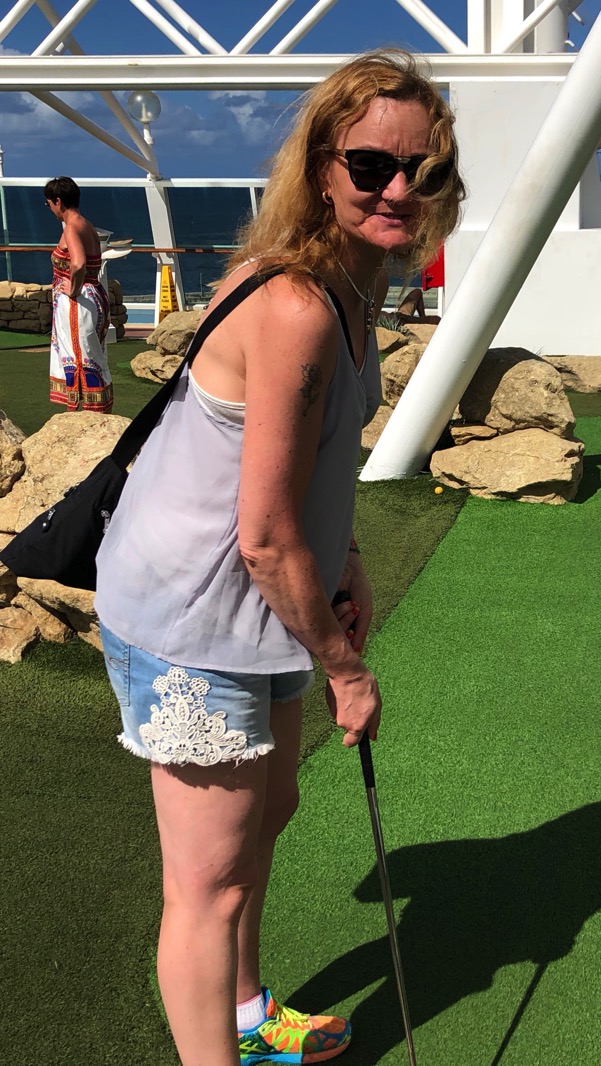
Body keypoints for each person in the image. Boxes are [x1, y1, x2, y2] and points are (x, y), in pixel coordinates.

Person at [93, 49, 465, 1066]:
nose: (398, 189)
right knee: (206, 884)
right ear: (322, 167)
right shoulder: (297, 304)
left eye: (422, 171)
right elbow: (259, 533)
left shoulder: (358, 279)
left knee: (273, 810)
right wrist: (345, 671)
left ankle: (250, 1021)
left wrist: (342, 555)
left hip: (258, 590)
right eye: (371, 165)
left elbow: (306, 471)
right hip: (189, 607)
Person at [44, 176, 112, 411]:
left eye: (49, 203)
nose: (50, 209)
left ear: (58, 201)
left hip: (79, 303)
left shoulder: (72, 227)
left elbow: (79, 263)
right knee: (94, 355)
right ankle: (99, 412)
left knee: (79, 357)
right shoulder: (87, 224)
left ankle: (80, 415)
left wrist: (72, 290)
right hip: (95, 295)